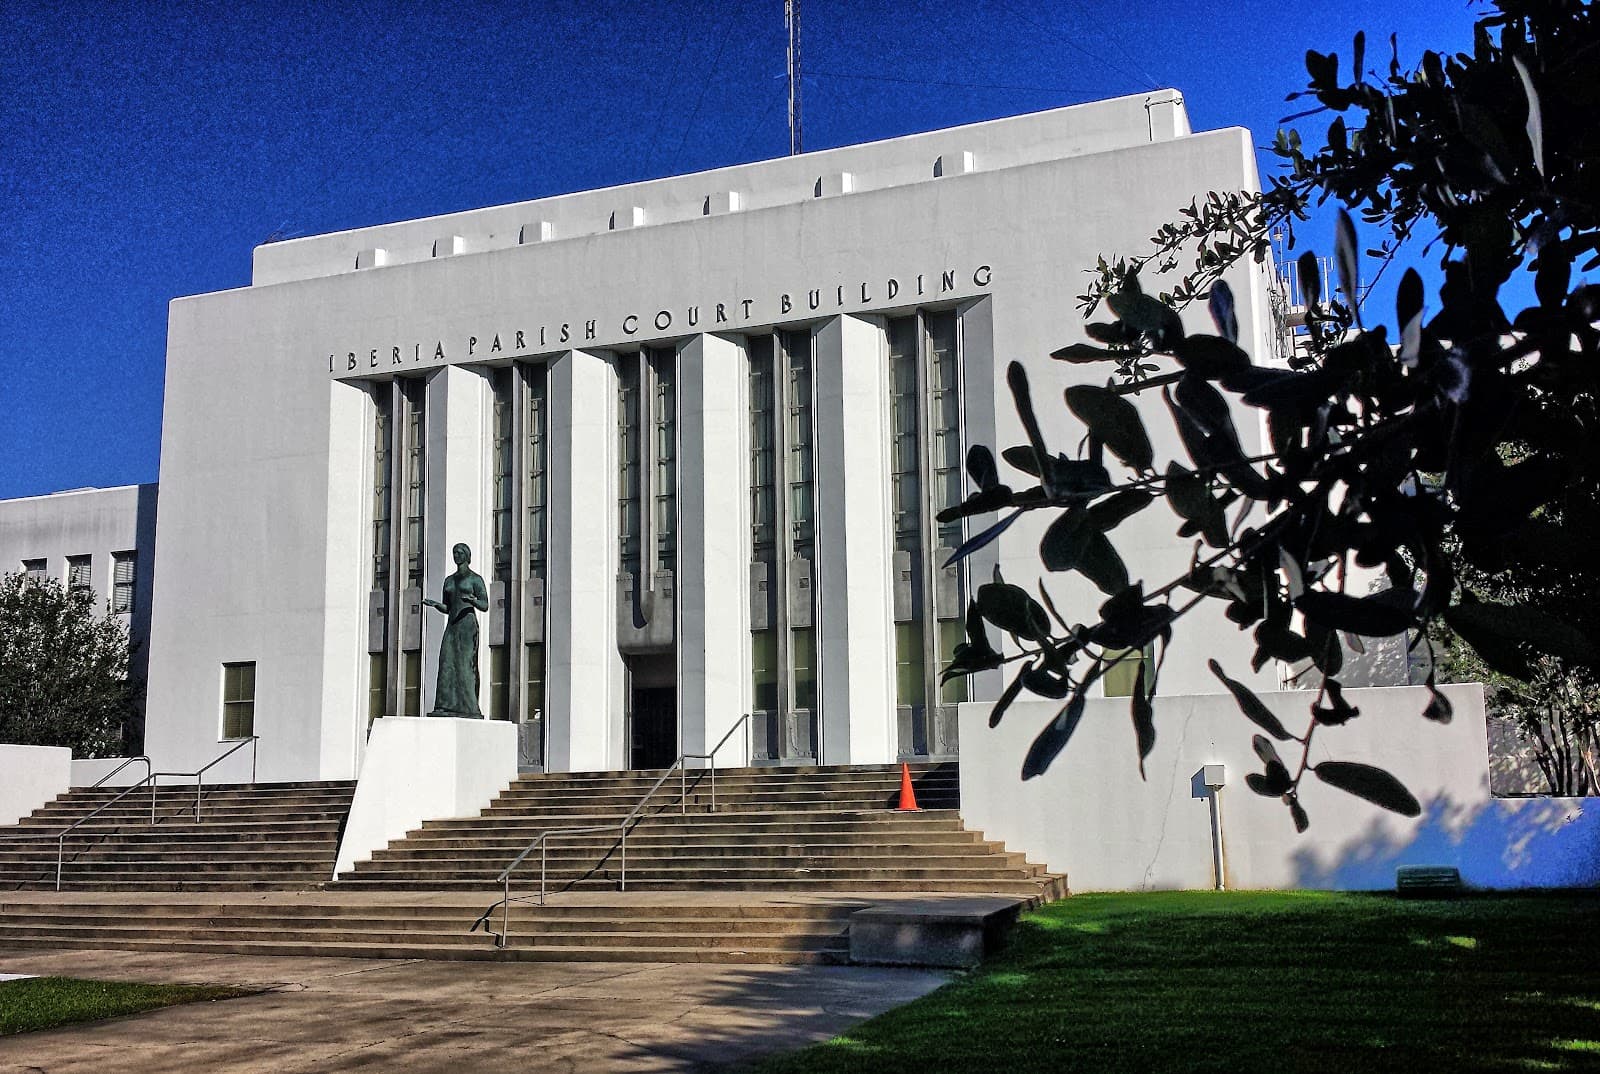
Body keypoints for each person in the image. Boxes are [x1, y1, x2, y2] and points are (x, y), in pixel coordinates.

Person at [422, 542, 488, 718]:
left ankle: (470, 707)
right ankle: (446, 705)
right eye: (454, 552)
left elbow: (485, 605)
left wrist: (473, 601)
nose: (456, 555)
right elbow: (448, 607)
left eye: (459, 552)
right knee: (447, 662)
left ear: (466, 555)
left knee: (466, 665)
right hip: (452, 625)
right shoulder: (449, 581)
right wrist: (436, 605)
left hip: (467, 626)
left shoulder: (475, 579)